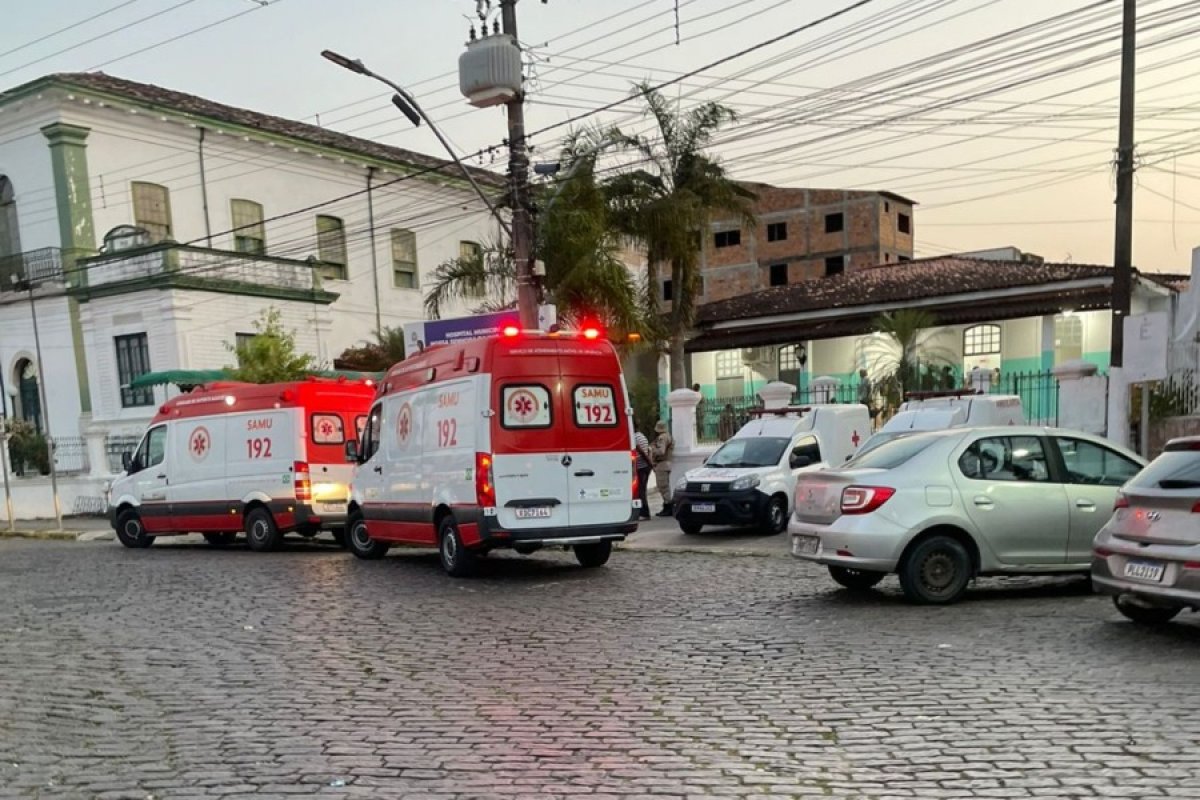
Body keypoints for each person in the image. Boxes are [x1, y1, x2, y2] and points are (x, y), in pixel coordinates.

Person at [651, 420, 674, 517]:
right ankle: (667, 506)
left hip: (662, 464)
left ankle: (668, 507)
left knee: (663, 487)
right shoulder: (668, 436)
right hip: (667, 464)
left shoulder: (662, 438)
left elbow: (661, 451)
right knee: (665, 487)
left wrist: (652, 449)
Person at [633, 429, 653, 520]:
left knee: (641, 491)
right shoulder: (642, 436)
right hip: (645, 467)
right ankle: (643, 512)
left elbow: (641, 451)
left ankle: (645, 513)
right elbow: (648, 450)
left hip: (641, 467)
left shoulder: (634, 437)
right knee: (642, 490)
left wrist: (649, 463)